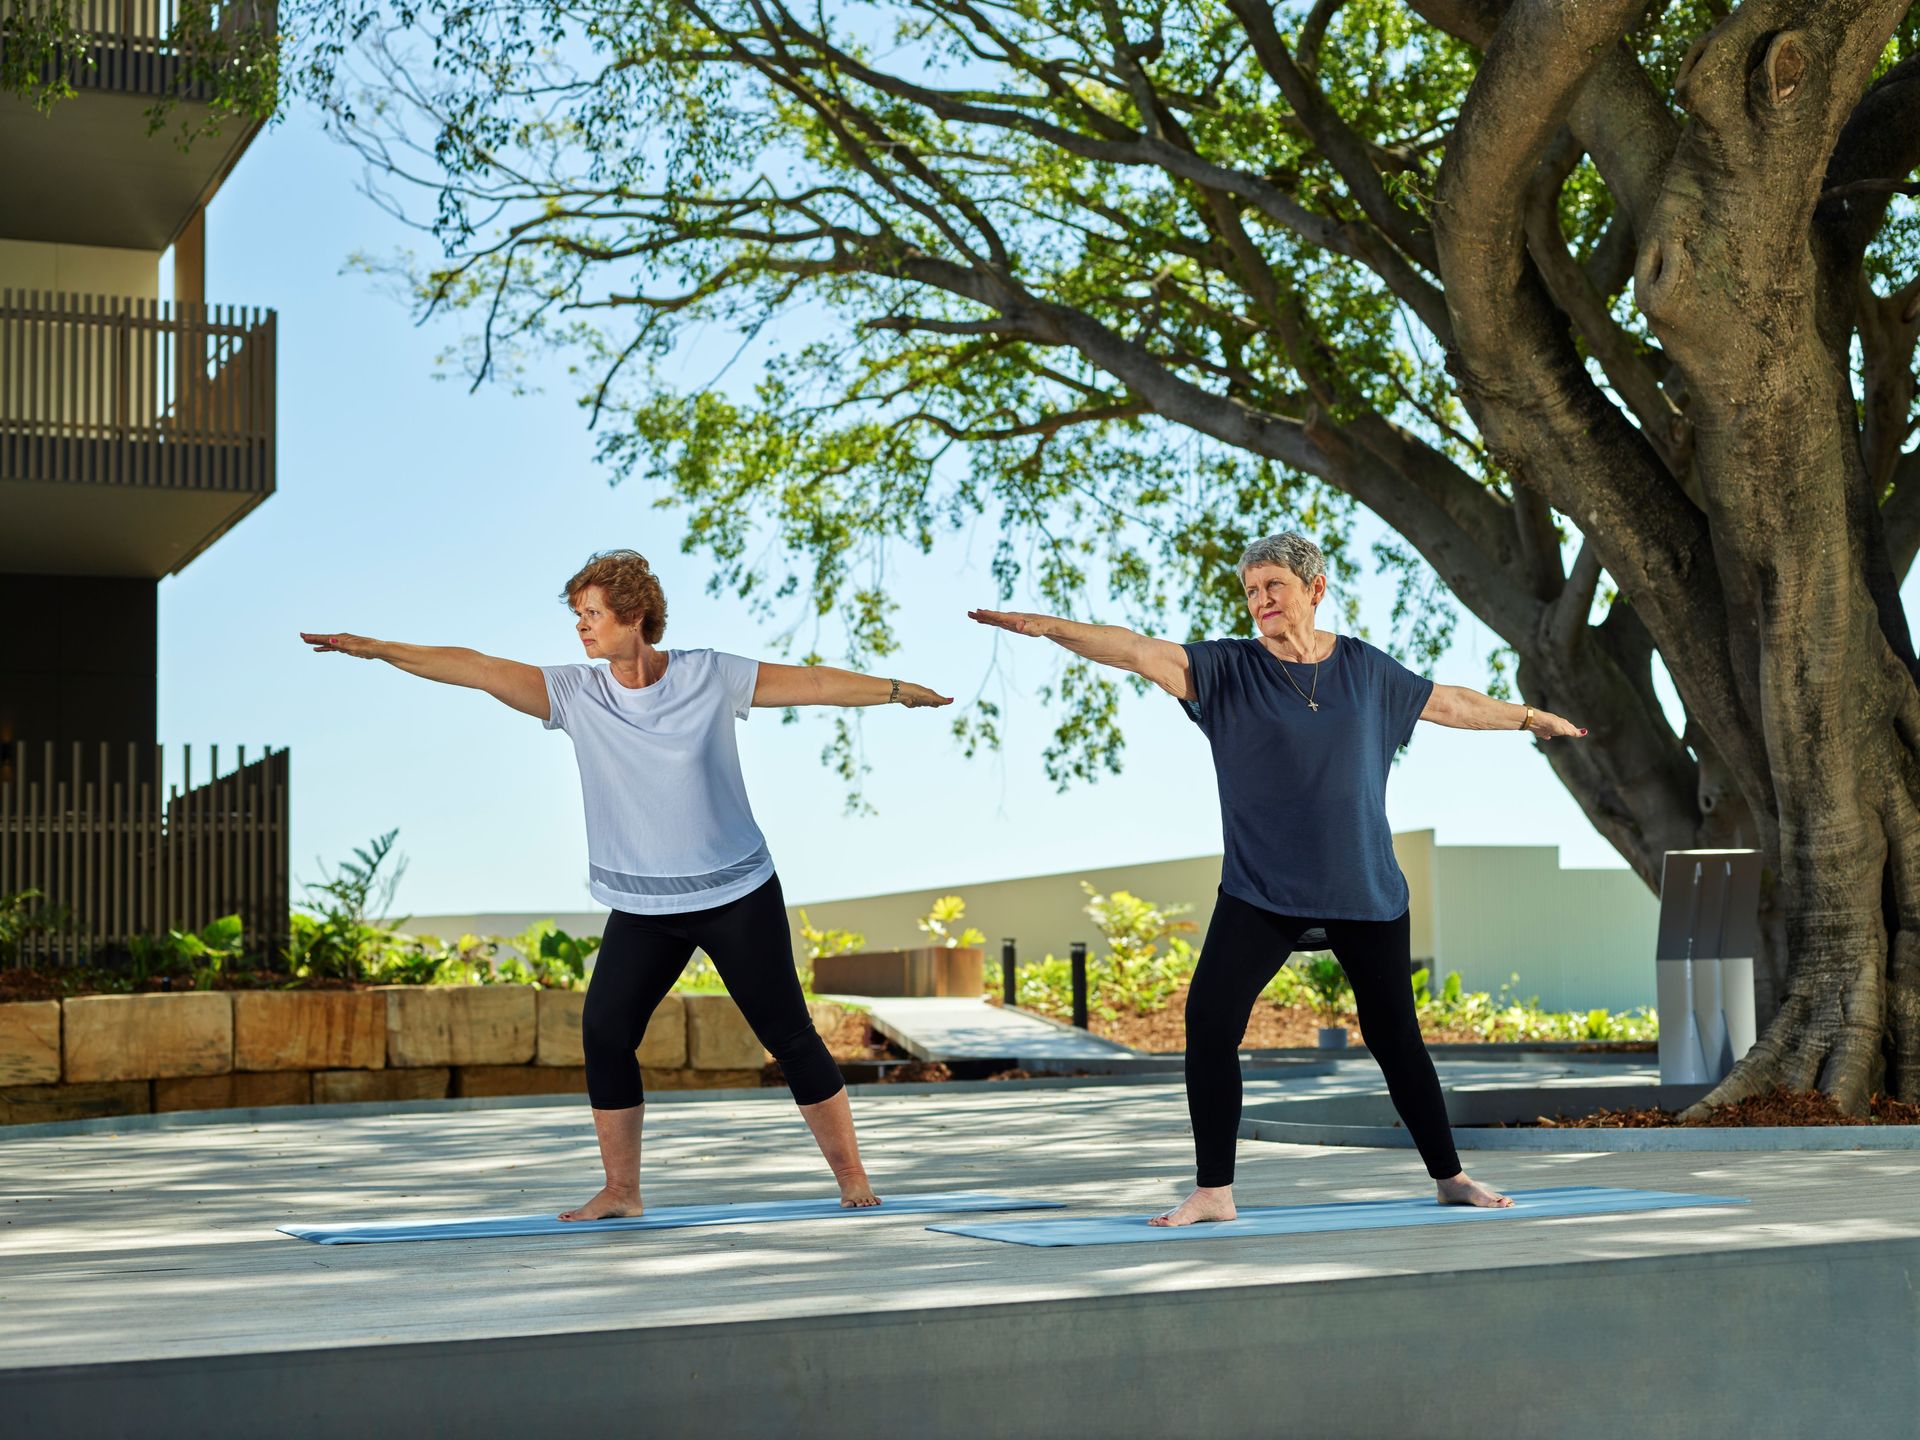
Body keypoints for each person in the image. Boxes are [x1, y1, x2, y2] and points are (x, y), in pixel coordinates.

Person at [303, 548, 951, 1221]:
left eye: (592, 613)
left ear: (634, 614)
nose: (581, 626)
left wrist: (897, 690)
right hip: (645, 906)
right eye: (577, 615)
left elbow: (813, 683)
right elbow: (478, 668)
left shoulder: (709, 674)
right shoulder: (574, 693)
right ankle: (621, 1190)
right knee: (606, 1032)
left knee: (788, 1035)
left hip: (737, 893)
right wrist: (378, 649)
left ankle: (852, 1177)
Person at [970, 531, 1587, 1226]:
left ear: (1315, 589)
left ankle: (1451, 1177)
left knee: (1396, 1038)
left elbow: (1451, 704)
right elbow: (1136, 650)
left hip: (1365, 887)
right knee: (1209, 1022)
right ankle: (1214, 1190)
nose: (1260, 599)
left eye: (1274, 586)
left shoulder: (1366, 669)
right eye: (1251, 590)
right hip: (1262, 888)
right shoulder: (1228, 670)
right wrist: (1049, 627)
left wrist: (1528, 718)